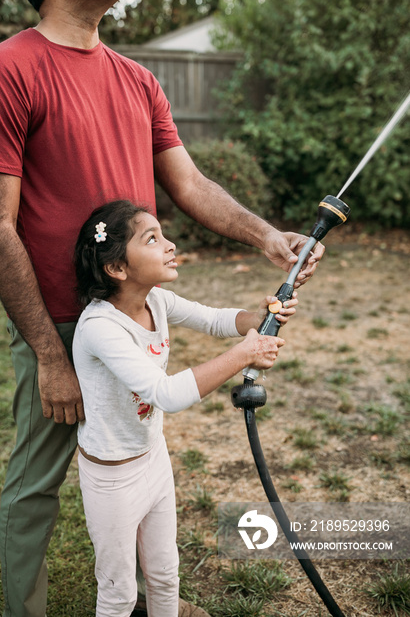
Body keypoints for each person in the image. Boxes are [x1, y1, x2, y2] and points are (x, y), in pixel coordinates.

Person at [0, 0, 324, 615]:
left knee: (139, 461)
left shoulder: (137, 78)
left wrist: (269, 238)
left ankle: (154, 599)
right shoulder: (3, 70)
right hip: (61, 319)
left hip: (138, 314)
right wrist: (48, 351)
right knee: (36, 482)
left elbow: (188, 185)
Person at [72, 200, 298, 617]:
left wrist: (263, 317)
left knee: (165, 575)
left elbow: (216, 319)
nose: (170, 244)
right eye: (153, 239)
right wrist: (243, 355)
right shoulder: (100, 327)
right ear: (117, 268)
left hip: (152, 459)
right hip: (112, 477)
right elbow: (167, 393)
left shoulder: (156, 301)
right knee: (119, 591)